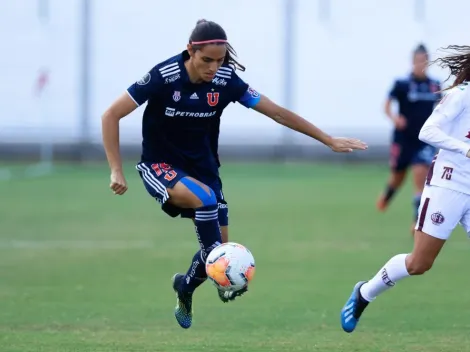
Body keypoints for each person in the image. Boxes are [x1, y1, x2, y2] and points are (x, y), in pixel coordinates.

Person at [101, 19, 367, 330]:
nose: (214, 68)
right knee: (207, 205)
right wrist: (116, 169)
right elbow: (112, 114)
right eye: (206, 60)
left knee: (218, 253)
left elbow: (277, 112)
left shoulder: (226, 80)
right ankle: (224, 279)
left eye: (220, 60)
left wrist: (328, 139)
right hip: (161, 165)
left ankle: (185, 287)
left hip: (204, 169)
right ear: (190, 51)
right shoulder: (164, 76)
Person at [340, 45, 470, 333]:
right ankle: (364, 294)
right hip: (449, 184)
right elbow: (428, 131)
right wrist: (465, 149)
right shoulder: (460, 96)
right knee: (419, 263)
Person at [378, 44, 442, 233]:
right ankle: (387, 196)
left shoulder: (434, 85)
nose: (420, 64)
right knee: (398, 177)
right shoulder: (402, 84)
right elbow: (387, 105)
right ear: (412, 62)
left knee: (420, 176)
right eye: (417, 61)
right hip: (403, 139)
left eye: (424, 61)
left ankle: (416, 222)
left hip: (424, 140)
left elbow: (443, 108)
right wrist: (394, 118)